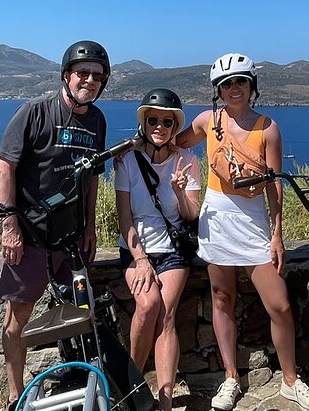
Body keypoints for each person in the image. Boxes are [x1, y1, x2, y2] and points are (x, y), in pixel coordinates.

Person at [176, 53, 309, 411]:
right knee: (222, 298)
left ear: (251, 85)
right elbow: (172, 143)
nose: (234, 89)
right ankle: (230, 378)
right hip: (216, 221)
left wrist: (277, 234)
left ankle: (290, 380)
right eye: (227, 84)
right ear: (218, 90)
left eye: (241, 81)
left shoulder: (268, 127)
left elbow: (275, 186)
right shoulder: (206, 121)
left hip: (254, 224)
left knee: (281, 304)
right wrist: (137, 153)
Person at [0, 40, 110, 408]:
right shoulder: (35, 112)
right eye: (83, 73)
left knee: (80, 316)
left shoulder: (97, 120)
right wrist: (9, 226)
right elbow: (4, 166)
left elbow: (91, 179)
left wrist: (90, 227)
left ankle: (75, 383)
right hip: (30, 239)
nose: (89, 80)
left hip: (72, 241)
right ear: (66, 75)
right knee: (18, 317)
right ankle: (15, 393)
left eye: (97, 76)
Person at [114, 88, 200, 411]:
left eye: (167, 121)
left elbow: (191, 213)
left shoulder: (187, 161)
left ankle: (164, 401)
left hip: (173, 249)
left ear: (175, 126)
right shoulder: (127, 161)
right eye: (153, 120)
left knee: (165, 314)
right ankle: (130, 384)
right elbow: (124, 218)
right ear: (144, 122)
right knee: (147, 304)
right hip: (137, 249)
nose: (160, 127)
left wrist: (179, 192)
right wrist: (140, 260)